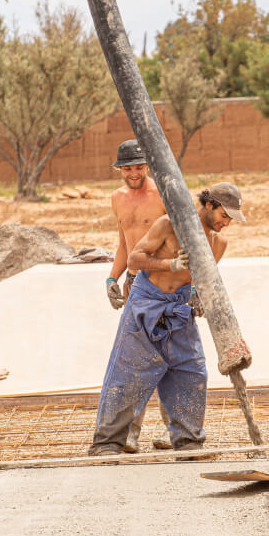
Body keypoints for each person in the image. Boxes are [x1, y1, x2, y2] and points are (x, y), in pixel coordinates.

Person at [88, 182, 245, 456]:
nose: (227, 223)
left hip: (179, 308)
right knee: (128, 375)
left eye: (231, 219)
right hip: (146, 303)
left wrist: (197, 294)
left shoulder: (218, 243)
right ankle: (106, 444)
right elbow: (136, 258)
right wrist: (168, 265)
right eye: (224, 216)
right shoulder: (168, 225)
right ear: (209, 205)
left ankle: (189, 442)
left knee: (190, 372)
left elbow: (201, 279)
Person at [105, 140, 169, 451]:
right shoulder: (117, 198)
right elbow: (123, 243)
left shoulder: (162, 195)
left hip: (164, 284)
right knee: (136, 360)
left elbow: (183, 242)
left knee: (172, 357)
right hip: (134, 286)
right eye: (128, 168)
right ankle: (132, 431)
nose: (134, 173)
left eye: (139, 166)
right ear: (119, 169)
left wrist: (193, 284)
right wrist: (111, 277)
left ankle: (178, 430)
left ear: (147, 166)